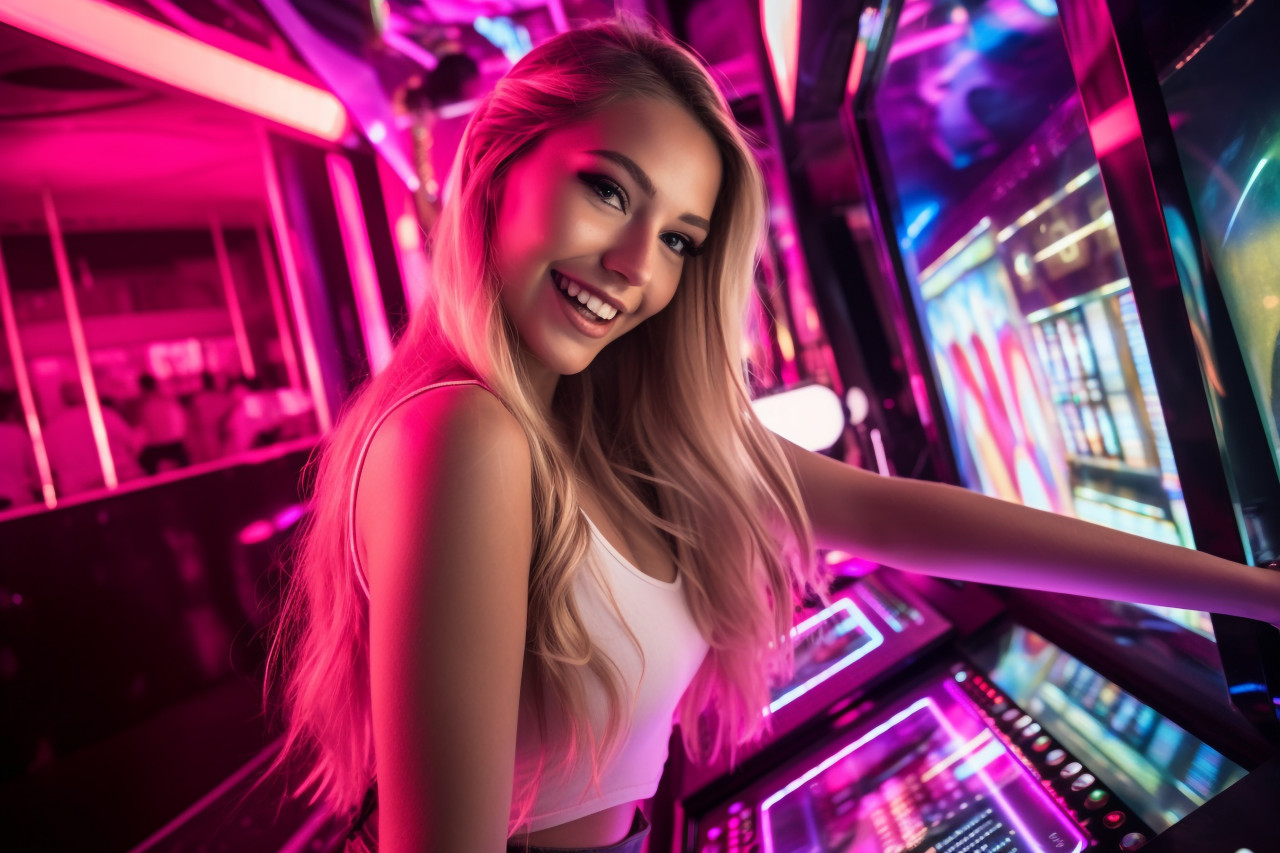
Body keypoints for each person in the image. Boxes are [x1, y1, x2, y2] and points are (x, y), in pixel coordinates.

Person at [267, 19, 1280, 853]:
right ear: (497, 168)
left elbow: (909, 517)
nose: (633, 264)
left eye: (677, 240)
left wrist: (1255, 594)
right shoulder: (460, 433)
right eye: (606, 189)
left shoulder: (606, 426)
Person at [136, 372, 189, 474]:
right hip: (176, 444)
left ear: (142, 387)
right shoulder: (168, 398)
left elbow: (138, 428)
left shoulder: (143, 404)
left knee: (142, 465)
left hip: (159, 446)